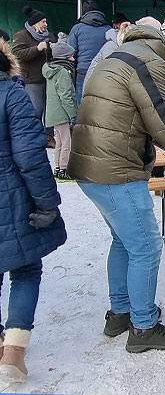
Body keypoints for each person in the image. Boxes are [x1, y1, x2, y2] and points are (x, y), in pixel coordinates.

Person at [67, 24, 165, 353]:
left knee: (124, 241)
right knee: (147, 247)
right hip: (115, 168)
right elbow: (164, 125)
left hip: (91, 164)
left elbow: (144, 120)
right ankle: (143, 326)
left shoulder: (123, 54)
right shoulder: (151, 62)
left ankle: (120, 313)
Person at [0, 39, 66, 384]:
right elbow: (30, 157)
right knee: (25, 270)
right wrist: (47, 204)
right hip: (11, 201)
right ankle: (12, 354)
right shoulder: (12, 94)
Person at [11, 6, 56, 125]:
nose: (46, 24)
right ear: (35, 24)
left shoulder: (49, 36)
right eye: (43, 22)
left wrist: (55, 48)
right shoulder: (21, 36)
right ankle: (34, 136)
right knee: (36, 110)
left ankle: (48, 136)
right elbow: (17, 54)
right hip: (31, 81)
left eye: (46, 21)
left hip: (48, 79)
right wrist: (37, 48)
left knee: (50, 111)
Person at [42, 37, 77, 180]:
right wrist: (72, 114)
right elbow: (66, 95)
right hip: (62, 113)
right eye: (71, 56)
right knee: (67, 141)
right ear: (64, 57)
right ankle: (64, 169)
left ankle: (57, 167)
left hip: (54, 112)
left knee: (59, 142)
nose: (73, 59)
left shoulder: (51, 70)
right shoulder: (62, 72)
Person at [67, 0, 111, 105]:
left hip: (83, 70)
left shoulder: (77, 28)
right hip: (102, 70)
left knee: (82, 102)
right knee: (102, 101)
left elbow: (70, 51)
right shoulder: (109, 29)